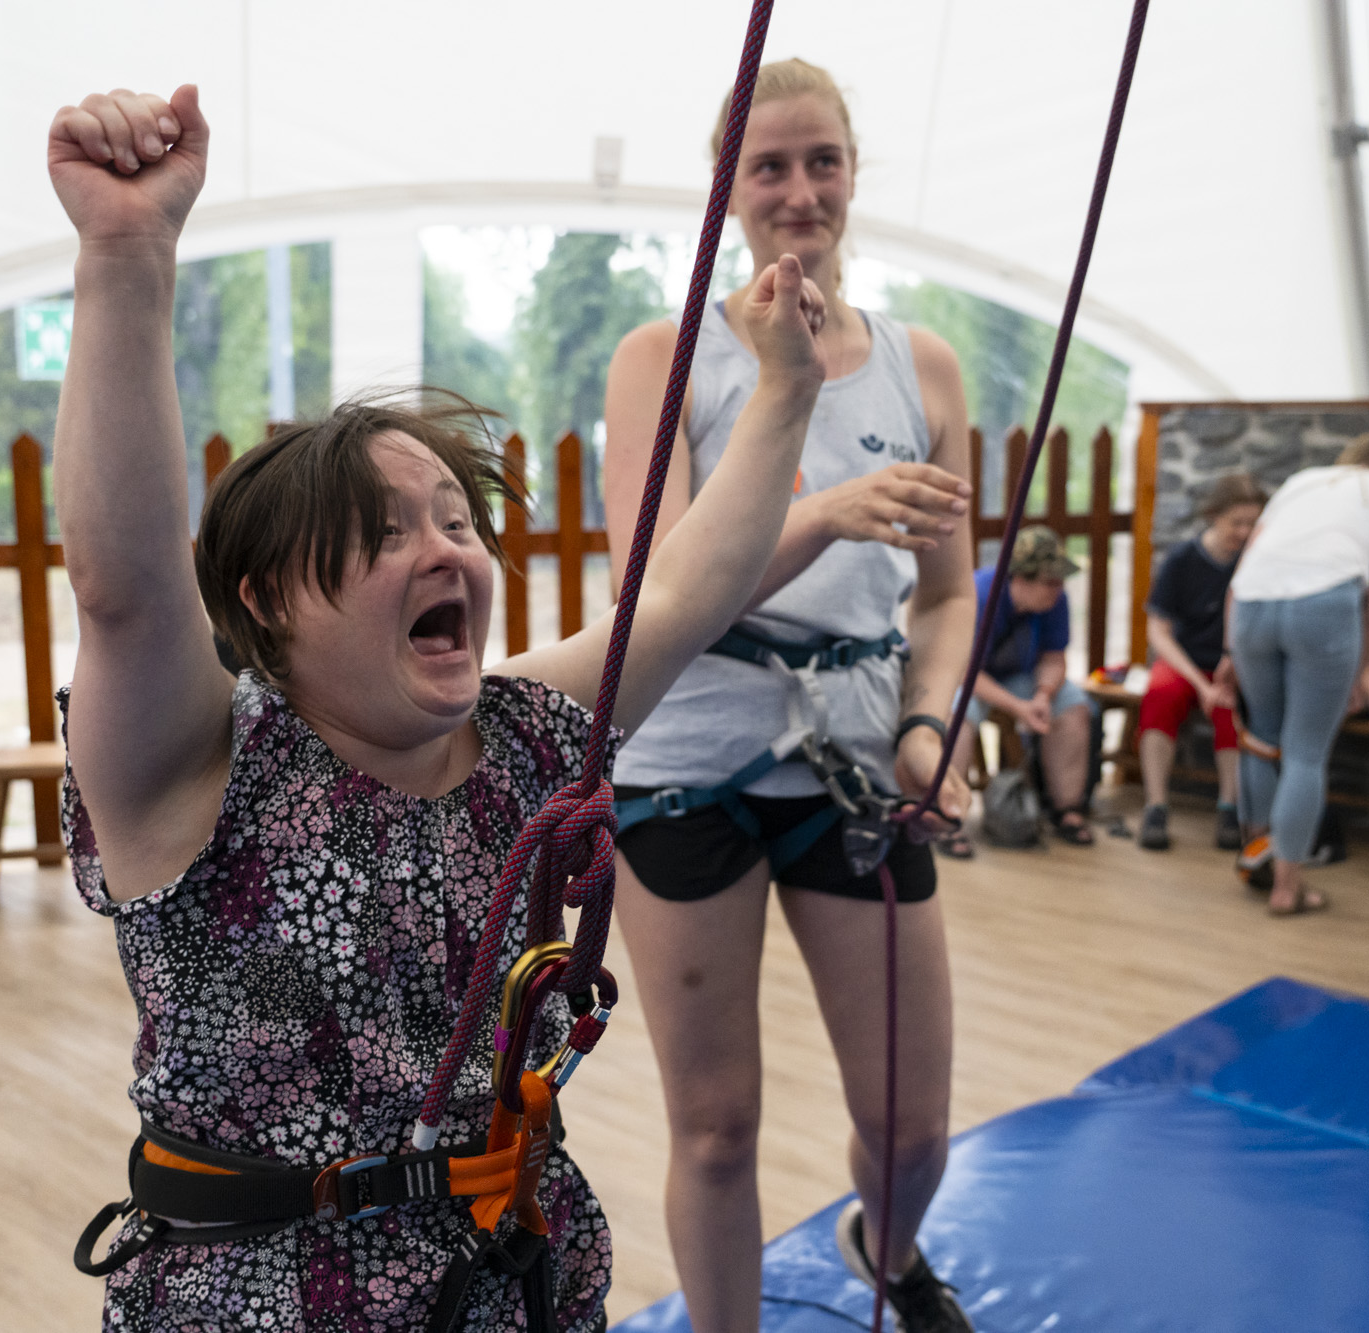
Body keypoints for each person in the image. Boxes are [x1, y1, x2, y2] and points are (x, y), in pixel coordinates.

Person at [48, 84, 833, 1332]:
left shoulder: (517, 735)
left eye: (458, 525)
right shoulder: (200, 771)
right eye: (383, 534)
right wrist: (126, 253)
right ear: (267, 598)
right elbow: (128, 591)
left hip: (499, 1276)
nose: (447, 552)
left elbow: (681, 584)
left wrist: (784, 389)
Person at [601, 59, 977, 1333]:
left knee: (909, 1122)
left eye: (821, 161)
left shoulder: (922, 369)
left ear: (853, 175)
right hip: (686, 762)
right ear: (727, 188)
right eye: (768, 165)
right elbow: (652, 593)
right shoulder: (666, 359)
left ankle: (890, 1242)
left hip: (855, 760)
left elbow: (942, 598)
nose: (798, 190)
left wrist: (929, 724)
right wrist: (821, 514)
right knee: (714, 1129)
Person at [1223, 434, 1369, 915]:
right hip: (1324, 604)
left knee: (1261, 738)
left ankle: (1256, 858)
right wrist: (1356, 670)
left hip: (1253, 603)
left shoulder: (1302, 482)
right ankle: (1288, 888)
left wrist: (1230, 650)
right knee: (1305, 752)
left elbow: (1243, 570)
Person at [1136, 473, 1265, 851]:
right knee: (1159, 696)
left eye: (1251, 523)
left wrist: (1229, 670)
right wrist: (1199, 682)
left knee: (1232, 709)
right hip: (1185, 662)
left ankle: (1229, 808)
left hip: (1233, 663)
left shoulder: (1256, 561)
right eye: (1235, 523)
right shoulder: (1182, 560)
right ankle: (1156, 806)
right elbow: (1158, 631)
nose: (1243, 532)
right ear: (1213, 516)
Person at [953, 526, 1096, 848]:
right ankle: (946, 817)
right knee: (956, 718)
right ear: (1020, 577)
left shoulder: (1055, 602)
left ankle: (1067, 809)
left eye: (1060, 581)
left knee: (1074, 707)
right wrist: (1018, 707)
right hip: (964, 676)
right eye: (1050, 582)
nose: (1058, 589)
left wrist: (1044, 696)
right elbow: (964, 670)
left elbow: (1054, 657)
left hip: (1019, 675)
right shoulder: (979, 595)